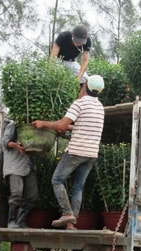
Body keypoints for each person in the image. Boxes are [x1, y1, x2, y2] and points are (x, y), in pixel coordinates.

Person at [32, 75, 105, 230]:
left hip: (76, 151)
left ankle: (66, 213)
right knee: (78, 186)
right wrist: (66, 127)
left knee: (57, 180)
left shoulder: (79, 104)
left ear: (85, 85)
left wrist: (43, 123)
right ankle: (71, 223)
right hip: (91, 154)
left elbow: (62, 125)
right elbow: (81, 126)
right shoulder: (100, 108)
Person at [2, 119, 39, 228]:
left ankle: (21, 220)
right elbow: (5, 141)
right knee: (17, 193)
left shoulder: (33, 125)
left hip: (28, 166)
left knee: (33, 196)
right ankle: (11, 220)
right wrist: (16, 145)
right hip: (14, 166)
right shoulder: (14, 124)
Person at [50, 24, 91, 98]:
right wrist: (52, 70)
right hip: (58, 60)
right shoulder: (63, 36)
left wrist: (79, 76)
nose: (79, 43)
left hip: (71, 62)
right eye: (77, 41)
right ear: (73, 35)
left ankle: (78, 103)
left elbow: (85, 61)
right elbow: (53, 56)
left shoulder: (87, 41)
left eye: (81, 42)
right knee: (58, 79)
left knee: (86, 80)